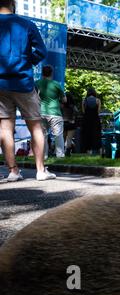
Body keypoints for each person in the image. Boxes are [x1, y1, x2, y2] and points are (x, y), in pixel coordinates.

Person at [0, 0, 56, 182]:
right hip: (23, 82)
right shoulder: (26, 24)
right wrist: (27, 61)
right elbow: (41, 50)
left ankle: (13, 171)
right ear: (12, 3)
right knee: (35, 126)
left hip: (1, 84)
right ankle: (40, 171)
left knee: (5, 128)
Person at [35, 65, 67, 159]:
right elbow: (64, 100)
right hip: (55, 113)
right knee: (58, 135)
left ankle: (44, 156)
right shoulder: (56, 84)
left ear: (42, 73)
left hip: (41, 113)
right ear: (51, 73)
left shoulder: (36, 83)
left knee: (43, 135)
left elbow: (32, 96)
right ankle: (60, 155)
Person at [81, 88, 102, 154]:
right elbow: (98, 112)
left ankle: (88, 150)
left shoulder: (84, 100)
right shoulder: (98, 100)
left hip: (86, 120)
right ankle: (96, 150)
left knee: (87, 134)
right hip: (95, 120)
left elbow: (83, 111)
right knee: (96, 135)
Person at [61, 92, 77, 157]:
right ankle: (68, 151)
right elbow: (76, 112)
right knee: (69, 139)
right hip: (71, 123)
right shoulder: (73, 106)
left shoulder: (62, 105)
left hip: (64, 123)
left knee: (63, 138)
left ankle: (61, 151)